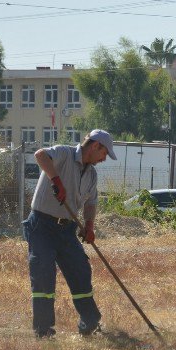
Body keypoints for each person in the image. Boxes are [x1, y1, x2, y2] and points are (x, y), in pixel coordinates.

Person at [23, 129, 117, 338]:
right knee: (43, 274)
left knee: (80, 271)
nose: (104, 159)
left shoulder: (91, 174)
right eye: (104, 154)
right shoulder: (64, 154)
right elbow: (40, 155)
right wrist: (55, 180)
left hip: (67, 230)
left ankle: (89, 321)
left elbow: (91, 202)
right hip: (42, 226)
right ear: (95, 146)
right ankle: (43, 330)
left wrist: (89, 226)